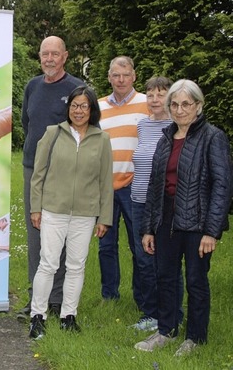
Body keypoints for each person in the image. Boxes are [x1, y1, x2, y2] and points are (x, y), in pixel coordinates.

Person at [135, 79, 231, 356]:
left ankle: (195, 338)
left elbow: (222, 186)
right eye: (174, 104)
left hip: (198, 223)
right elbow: (155, 186)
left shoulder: (213, 137)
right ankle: (166, 331)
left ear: (198, 106)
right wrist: (149, 228)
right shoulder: (166, 137)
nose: (179, 110)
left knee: (196, 281)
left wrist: (212, 231)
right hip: (166, 220)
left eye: (186, 104)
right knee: (165, 277)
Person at [28, 86, 113, 339]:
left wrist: (104, 217)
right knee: (48, 263)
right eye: (75, 105)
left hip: (85, 214)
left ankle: (68, 316)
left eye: (84, 106)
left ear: (92, 110)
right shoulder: (53, 134)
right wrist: (36, 208)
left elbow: (104, 182)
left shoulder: (102, 139)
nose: (78, 111)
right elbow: (38, 174)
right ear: (69, 108)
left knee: (76, 266)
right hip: (53, 210)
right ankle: (38, 316)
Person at [19, 36, 85, 319]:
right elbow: (27, 123)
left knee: (62, 233)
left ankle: (57, 300)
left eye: (55, 54)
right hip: (33, 169)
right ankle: (37, 299)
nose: (49, 59)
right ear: (39, 56)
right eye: (45, 53)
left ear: (65, 56)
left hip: (63, 173)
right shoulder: (32, 86)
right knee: (36, 234)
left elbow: (84, 129)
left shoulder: (75, 89)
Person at [98, 56, 149, 302]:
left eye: (125, 75)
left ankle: (141, 296)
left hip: (134, 187)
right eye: (116, 75)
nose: (121, 80)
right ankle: (110, 295)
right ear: (109, 77)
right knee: (106, 246)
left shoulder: (147, 104)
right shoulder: (98, 107)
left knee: (138, 246)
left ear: (134, 76)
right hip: (105, 188)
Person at [129, 76, 175, 331]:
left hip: (164, 203)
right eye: (150, 95)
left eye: (161, 94)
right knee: (143, 258)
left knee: (165, 258)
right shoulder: (143, 126)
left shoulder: (176, 127)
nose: (155, 99)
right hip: (138, 199)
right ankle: (150, 314)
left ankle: (170, 313)